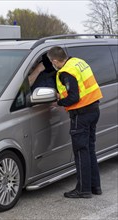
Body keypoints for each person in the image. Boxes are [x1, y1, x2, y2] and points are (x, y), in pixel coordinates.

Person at [47, 46, 103, 199]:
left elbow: (74, 98)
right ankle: (95, 186)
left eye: (52, 62)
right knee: (89, 150)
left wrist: (59, 102)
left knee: (80, 152)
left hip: (81, 115)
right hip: (93, 110)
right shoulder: (78, 62)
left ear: (55, 61)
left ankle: (83, 190)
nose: (53, 64)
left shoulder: (66, 72)